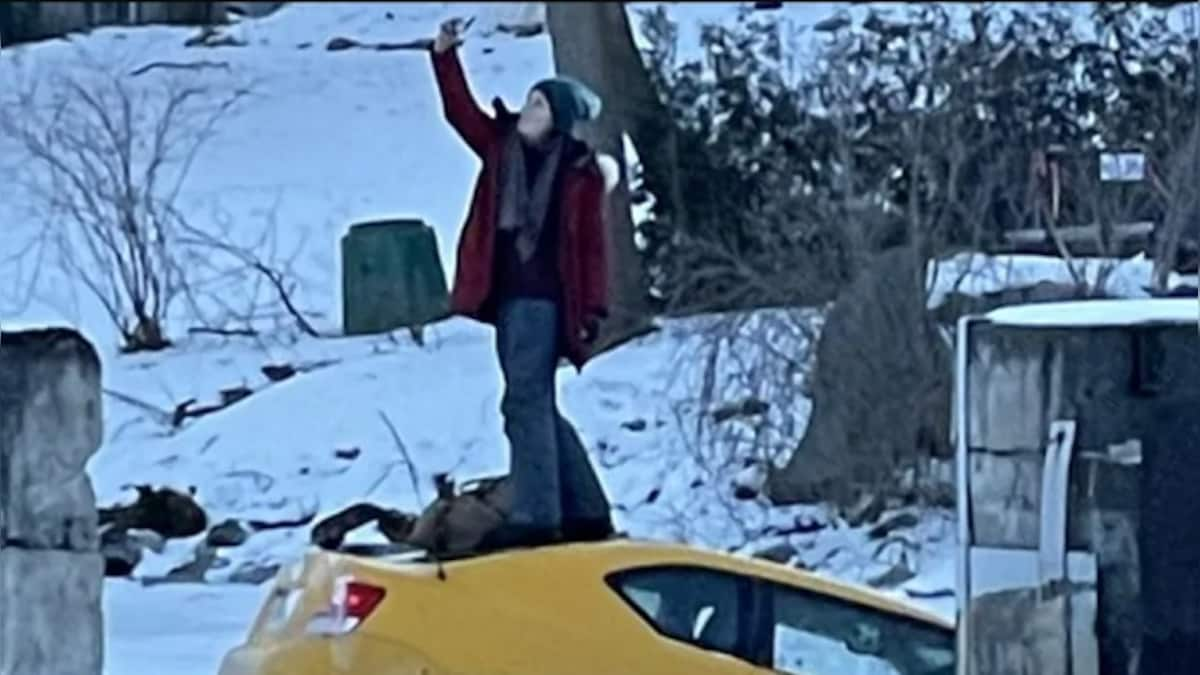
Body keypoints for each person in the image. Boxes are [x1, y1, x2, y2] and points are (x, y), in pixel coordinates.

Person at [429, 18, 619, 550]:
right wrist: (444, 56)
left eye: (538, 105)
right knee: (535, 403)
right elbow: (459, 112)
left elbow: (590, 248)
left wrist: (593, 310)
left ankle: (540, 513)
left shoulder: (576, 173)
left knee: (524, 403)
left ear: (556, 120)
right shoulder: (500, 147)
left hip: (546, 301)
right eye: (530, 101)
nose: (527, 110)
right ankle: (585, 508)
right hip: (508, 298)